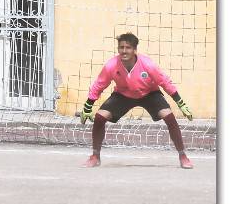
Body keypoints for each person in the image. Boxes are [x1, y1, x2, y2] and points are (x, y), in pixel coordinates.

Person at [79, 32, 194, 169]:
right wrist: (88, 106)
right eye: (121, 47)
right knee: (99, 117)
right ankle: (95, 156)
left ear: (134, 50)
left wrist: (180, 103)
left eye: (128, 48)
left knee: (169, 117)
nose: (124, 51)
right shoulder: (111, 65)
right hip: (123, 94)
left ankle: (183, 156)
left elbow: (164, 82)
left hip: (149, 93)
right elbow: (99, 84)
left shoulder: (147, 64)